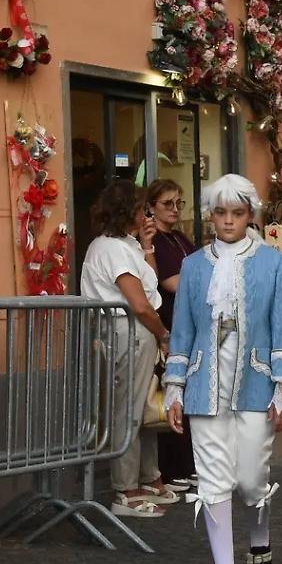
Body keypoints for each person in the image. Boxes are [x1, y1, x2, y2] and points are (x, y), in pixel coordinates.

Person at [163, 174, 282, 564]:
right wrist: (174, 388)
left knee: (250, 479)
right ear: (210, 215)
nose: (228, 221)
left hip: (256, 385)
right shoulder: (193, 266)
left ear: (250, 215)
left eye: (238, 213)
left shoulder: (270, 261)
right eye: (221, 212)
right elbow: (182, 330)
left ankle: (260, 539)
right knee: (213, 482)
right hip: (206, 387)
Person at [80, 181, 178, 518]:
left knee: (144, 407)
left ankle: (149, 478)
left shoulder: (127, 245)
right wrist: (163, 331)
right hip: (129, 332)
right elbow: (139, 302)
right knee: (130, 410)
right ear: (129, 211)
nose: (147, 214)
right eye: (143, 209)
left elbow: (149, 282)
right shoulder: (111, 248)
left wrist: (148, 245)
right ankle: (126, 490)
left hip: (139, 332)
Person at [146, 179, 198, 493]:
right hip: (168, 322)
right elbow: (169, 282)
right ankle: (171, 468)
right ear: (151, 207)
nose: (175, 209)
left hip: (188, 323)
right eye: (168, 203)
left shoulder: (179, 237)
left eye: (179, 203)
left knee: (187, 395)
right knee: (170, 395)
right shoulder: (155, 242)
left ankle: (187, 464)